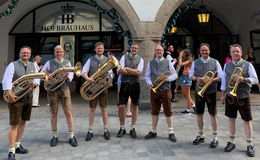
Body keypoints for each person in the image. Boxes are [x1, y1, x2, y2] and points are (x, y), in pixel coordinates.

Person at [2, 46, 40, 160]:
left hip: (28, 97)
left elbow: (37, 77)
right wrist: (9, 93)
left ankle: (18, 145)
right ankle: (11, 150)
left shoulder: (33, 65)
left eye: (28, 53)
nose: (25, 54)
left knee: (23, 122)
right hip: (15, 98)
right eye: (23, 53)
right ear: (19, 54)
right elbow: (6, 80)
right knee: (14, 124)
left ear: (30, 54)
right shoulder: (12, 65)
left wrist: (36, 83)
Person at [220, 44, 258, 157]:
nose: (235, 53)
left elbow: (255, 79)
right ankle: (232, 142)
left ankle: (250, 144)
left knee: (247, 120)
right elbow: (224, 81)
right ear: (230, 53)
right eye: (233, 52)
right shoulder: (227, 65)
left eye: (237, 51)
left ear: (241, 53)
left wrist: (244, 79)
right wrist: (222, 95)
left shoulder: (248, 65)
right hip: (230, 96)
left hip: (243, 96)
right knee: (231, 119)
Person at [41, 45, 78, 147]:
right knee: (53, 113)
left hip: (65, 89)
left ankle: (71, 136)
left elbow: (71, 74)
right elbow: (41, 74)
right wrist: (47, 76)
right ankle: (54, 136)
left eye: (60, 52)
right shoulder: (49, 62)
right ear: (54, 53)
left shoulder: (67, 62)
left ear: (63, 53)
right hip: (52, 90)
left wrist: (68, 77)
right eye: (57, 52)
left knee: (68, 112)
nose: (59, 53)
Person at [189, 43, 222, 148]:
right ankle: (201, 135)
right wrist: (196, 79)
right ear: (200, 51)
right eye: (203, 50)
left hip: (211, 91)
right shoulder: (195, 62)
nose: (204, 52)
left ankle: (215, 137)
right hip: (199, 91)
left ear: (209, 51)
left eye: (206, 50)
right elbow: (191, 75)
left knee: (213, 114)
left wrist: (210, 80)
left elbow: (220, 76)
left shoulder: (215, 62)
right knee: (199, 114)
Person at [144, 45, 178, 142]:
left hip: (165, 89)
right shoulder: (151, 63)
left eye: (160, 50)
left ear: (163, 51)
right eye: (157, 50)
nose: (159, 51)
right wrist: (149, 83)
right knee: (154, 110)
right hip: (154, 89)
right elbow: (147, 75)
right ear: (155, 51)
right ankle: (153, 131)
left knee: (168, 110)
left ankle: (171, 132)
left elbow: (175, 74)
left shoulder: (168, 62)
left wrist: (168, 79)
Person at [82, 42, 113, 141]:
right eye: (98, 48)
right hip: (92, 89)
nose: (100, 50)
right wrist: (88, 79)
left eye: (101, 48)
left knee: (104, 109)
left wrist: (110, 81)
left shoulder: (108, 60)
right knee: (92, 109)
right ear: (95, 50)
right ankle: (90, 130)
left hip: (103, 88)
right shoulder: (90, 60)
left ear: (103, 49)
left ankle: (106, 130)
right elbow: (83, 72)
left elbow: (111, 73)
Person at [116, 44, 144, 138]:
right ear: (130, 49)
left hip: (135, 84)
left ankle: (133, 128)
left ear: (138, 49)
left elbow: (139, 72)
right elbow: (119, 70)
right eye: (133, 48)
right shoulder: (124, 57)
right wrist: (133, 71)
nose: (134, 49)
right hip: (124, 83)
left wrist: (127, 68)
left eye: (136, 48)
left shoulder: (141, 59)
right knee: (121, 106)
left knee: (135, 106)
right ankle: (122, 127)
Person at [178, 49, 195, 115]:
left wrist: (180, 56)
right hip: (184, 76)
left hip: (187, 77)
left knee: (187, 95)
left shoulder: (189, 60)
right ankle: (193, 105)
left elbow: (180, 64)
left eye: (183, 53)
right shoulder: (185, 59)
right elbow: (179, 64)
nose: (182, 54)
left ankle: (188, 110)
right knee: (184, 94)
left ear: (186, 53)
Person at [118, 51, 133, 117]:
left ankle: (124, 111)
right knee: (128, 96)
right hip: (125, 79)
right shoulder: (127, 61)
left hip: (122, 79)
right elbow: (120, 71)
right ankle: (128, 111)